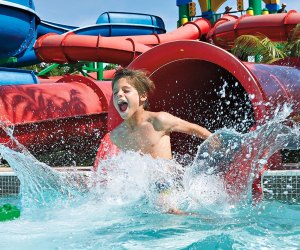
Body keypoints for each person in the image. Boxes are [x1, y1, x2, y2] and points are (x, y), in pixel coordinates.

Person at [94, 68, 218, 215]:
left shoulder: (159, 121)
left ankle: (202, 219)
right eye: (115, 93)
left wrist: (214, 141)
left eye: (126, 90)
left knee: (168, 210)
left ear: (143, 96)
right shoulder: (117, 136)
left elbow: (193, 128)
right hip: (143, 188)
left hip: (167, 181)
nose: (119, 94)